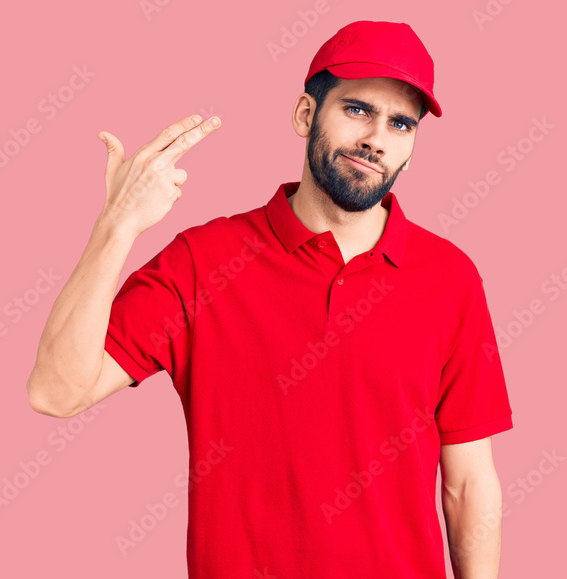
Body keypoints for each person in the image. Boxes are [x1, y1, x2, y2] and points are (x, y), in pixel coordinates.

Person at [26, 20, 513, 579]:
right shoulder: (203, 260)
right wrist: (117, 225)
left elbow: (469, 483)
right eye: (357, 110)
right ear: (306, 114)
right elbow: (55, 391)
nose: (377, 137)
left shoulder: (449, 278)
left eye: (400, 123)